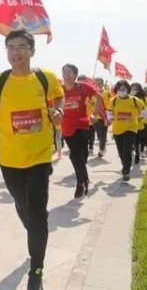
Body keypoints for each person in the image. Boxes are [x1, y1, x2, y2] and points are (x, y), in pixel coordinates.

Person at [0, 29, 64, 290]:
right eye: (11, 47)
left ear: (31, 50)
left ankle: (36, 267)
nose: (16, 52)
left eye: (21, 47)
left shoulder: (44, 77)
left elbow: (58, 96)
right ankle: (36, 234)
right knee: (22, 206)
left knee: (37, 214)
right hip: (10, 159)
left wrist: (57, 110)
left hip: (39, 157)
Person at [61, 65, 103, 198]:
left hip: (82, 125)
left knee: (77, 155)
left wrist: (95, 114)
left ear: (75, 74)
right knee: (78, 156)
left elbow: (99, 97)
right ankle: (84, 180)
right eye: (64, 72)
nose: (67, 74)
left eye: (70, 72)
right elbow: (51, 104)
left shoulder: (83, 87)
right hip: (66, 127)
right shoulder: (59, 90)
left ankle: (80, 183)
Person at [107, 80, 147, 181]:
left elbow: (145, 110)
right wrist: (111, 118)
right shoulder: (113, 101)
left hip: (131, 128)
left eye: (124, 89)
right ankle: (125, 164)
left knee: (127, 149)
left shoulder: (134, 100)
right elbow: (108, 112)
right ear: (116, 90)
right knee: (121, 151)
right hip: (117, 129)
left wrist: (140, 117)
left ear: (128, 89)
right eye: (120, 89)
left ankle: (126, 171)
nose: (122, 91)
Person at [93, 78, 111, 158]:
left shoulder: (108, 93)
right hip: (95, 117)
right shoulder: (92, 93)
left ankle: (101, 150)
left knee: (103, 134)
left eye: (100, 83)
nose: (98, 85)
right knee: (99, 135)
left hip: (105, 116)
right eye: (97, 83)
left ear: (103, 84)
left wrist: (110, 117)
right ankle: (103, 146)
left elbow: (111, 104)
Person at [130, 83, 147, 163]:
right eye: (132, 89)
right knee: (132, 140)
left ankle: (138, 152)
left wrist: (142, 117)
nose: (133, 91)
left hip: (140, 123)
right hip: (130, 123)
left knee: (138, 140)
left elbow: (145, 110)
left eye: (135, 89)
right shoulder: (128, 98)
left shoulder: (142, 99)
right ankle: (135, 150)